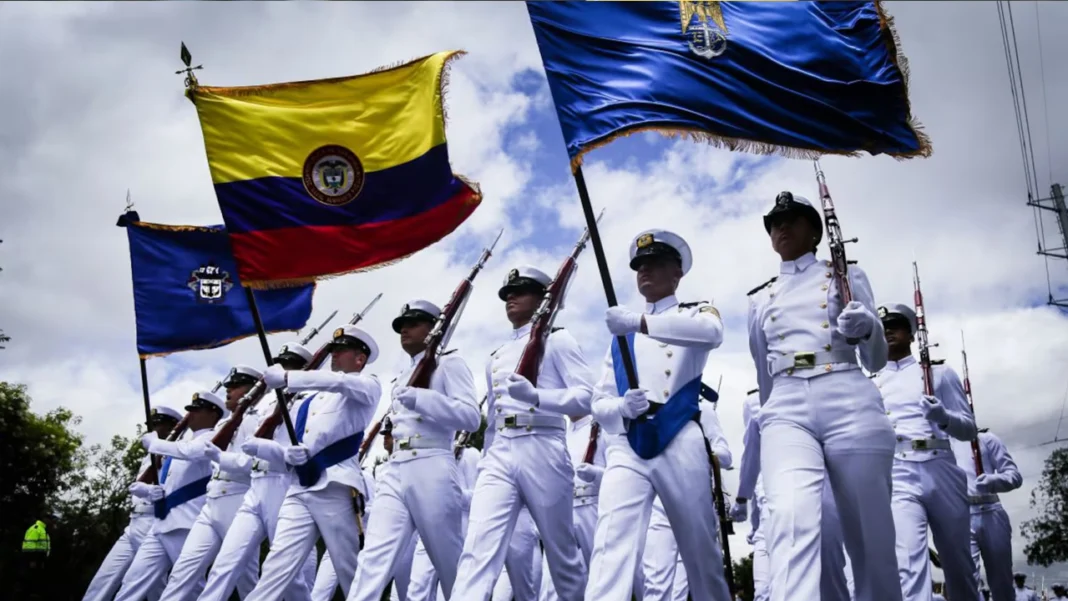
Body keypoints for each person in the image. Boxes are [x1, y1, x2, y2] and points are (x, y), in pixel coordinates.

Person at [746, 192, 899, 601]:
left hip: (846, 390)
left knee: (871, 533)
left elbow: (877, 360)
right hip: (786, 403)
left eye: (793, 219)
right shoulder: (761, 298)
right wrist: (770, 415)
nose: (782, 227)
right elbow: (765, 372)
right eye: (775, 222)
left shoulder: (845, 275)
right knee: (789, 517)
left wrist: (868, 328)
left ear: (815, 231)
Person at [585, 229, 731, 601]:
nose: (644, 271)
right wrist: (620, 407)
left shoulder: (694, 312)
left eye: (655, 264)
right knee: (610, 544)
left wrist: (638, 323)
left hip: (679, 435)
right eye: (639, 266)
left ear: (677, 273)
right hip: (628, 442)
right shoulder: (621, 334)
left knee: (700, 552)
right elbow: (599, 401)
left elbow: (711, 334)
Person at [451, 265, 593, 601]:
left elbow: (586, 398)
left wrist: (538, 398)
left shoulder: (558, 339)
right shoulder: (497, 357)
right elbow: (492, 419)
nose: (511, 298)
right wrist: (488, 459)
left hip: (543, 445)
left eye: (521, 291)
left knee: (562, 555)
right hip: (500, 453)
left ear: (544, 298)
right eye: (508, 293)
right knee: (477, 549)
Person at [347, 299, 479, 601]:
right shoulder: (403, 375)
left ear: (435, 330)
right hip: (396, 468)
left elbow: (470, 418)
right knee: (373, 558)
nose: (404, 329)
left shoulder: (449, 363)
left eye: (414, 323)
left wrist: (422, 400)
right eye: (401, 325)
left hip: (431, 464)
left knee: (448, 562)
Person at [245, 325, 383, 601]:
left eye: (342, 350)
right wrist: (279, 452)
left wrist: (288, 377)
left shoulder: (367, 385)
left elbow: (339, 382)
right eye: (333, 350)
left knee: (351, 573)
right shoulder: (308, 402)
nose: (335, 355)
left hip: (337, 487)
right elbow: (294, 448)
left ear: (360, 359)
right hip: (300, 488)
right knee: (275, 569)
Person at [874, 303, 980, 601]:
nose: (888, 331)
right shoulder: (872, 381)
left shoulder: (939, 373)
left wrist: (944, 417)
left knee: (958, 563)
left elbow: (969, 429)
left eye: (895, 325)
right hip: (899, 472)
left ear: (911, 333)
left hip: (940, 467)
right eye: (883, 328)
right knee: (908, 562)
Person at [198, 343, 320, 601]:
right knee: (225, 564)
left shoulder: (310, 403)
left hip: (283, 484)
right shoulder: (263, 406)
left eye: (289, 365)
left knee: (288, 575)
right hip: (256, 485)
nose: (281, 370)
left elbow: (302, 450)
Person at [158, 365, 263, 601]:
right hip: (211, 501)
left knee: (243, 579)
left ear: (253, 391)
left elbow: (253, 464)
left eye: (236, 386)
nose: (229, 390)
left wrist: (221, 458)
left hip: (237, 499)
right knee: (182, 573)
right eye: (229, 386)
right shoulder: (222, 426)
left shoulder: (255, 422)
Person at [114, 390, 226, 601]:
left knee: (189, 585)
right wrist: (150, 491)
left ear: (213, 413)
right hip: (161, 522)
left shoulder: (213, 436)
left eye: (197, 410)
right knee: (133, 581)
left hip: (185, 523)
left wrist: (155, 444)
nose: (190, 415)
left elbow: (191, 452)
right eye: (190, 410)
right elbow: (171, 481)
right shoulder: (181, 443)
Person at [82, 405, 181, 601]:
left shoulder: (175, 453)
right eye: (150, 424)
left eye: (157, 424)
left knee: (153, 587)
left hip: (153, 521)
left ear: (173, 427)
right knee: (104, 578)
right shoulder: (148, 456)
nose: (151, 428)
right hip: (134, 522)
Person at [640, 395, 731, 601]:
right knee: (655, 582)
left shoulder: (702, 410)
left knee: (705, 577)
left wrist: (702, 451)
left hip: (695, 505)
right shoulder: (648, 408)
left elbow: (725, 455)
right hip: (660, 509)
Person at [538, 409, 607, 601]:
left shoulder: (601, 426)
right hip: (563, 512)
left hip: (593, 508)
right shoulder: (559, 433)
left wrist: (596, 474)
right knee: (551, 586)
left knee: (601, 581)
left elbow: (621, 478)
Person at [950, 428, 1023, 601]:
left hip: (991, 511)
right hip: (961, 516)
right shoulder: (943, 443)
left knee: (1001, 582)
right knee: (967, 581)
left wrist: (994, 480)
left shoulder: (986, 439)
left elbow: (1015, 476)